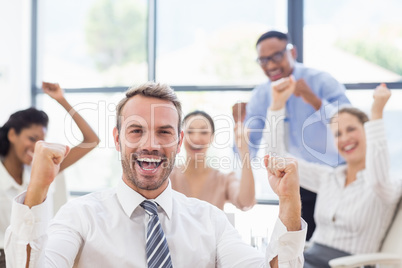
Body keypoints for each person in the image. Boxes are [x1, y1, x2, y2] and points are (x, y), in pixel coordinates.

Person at [5, 82, 306, 267]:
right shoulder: (79, 216)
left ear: (178, 142)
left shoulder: (210, 222)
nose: (150, 144)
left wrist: (290, 204)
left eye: (164, 132)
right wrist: (36, 193)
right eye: (136, 131)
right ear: (118, 138)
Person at [265, 81, 402, 268]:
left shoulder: (385, 184)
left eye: (351, 129)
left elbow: (378, 176)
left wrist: (376, 113)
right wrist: (277, 105)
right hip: (309, 258)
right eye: (338, 134)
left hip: (349, 264)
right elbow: (276, 157)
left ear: (368, 132)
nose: (345, 138)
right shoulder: (329, 177)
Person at [242, 30, 350, 240]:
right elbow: (250, 143)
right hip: (298, 183)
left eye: (276, 57)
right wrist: (240, 182)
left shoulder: (321, 81)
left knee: (336, 245)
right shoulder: (261, 96)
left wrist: (314, 99)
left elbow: (350, 123)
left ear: (292, 51)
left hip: (336, 178)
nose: (271, 65)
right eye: (263, 60)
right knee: (299, 246)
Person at [0, 82, 99, 268]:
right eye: (31, 139)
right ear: (12, 135)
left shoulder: (41, 169)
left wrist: (62, 100)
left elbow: (91, 140)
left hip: (38, 254)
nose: (37, 147)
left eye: (41, 141)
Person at [170, 110, 255, 210]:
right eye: (190, 132)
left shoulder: (223, 180)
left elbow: (246, 202)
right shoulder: (168, 177)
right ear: (181, 137)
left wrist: (244, 150)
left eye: (204, 132)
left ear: (212, 137)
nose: (196, 138)